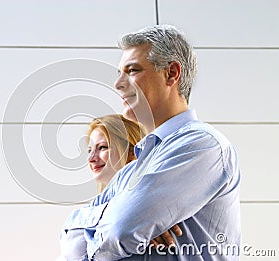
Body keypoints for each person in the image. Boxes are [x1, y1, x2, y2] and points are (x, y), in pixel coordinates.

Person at [62, 24, 241, 260]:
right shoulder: (132, 170)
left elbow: (122, 228)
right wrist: (128, 219)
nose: (118, 84)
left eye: (132, 70)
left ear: (171, 73)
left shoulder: (202, 145)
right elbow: (70, 248)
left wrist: (112, 220)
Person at [61, 114, 182, 260]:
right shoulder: (102, 204)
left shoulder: (160, 197)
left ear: (131, 151)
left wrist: (78, 223)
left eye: (102, 148)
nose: (91, 158)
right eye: (89, 150)